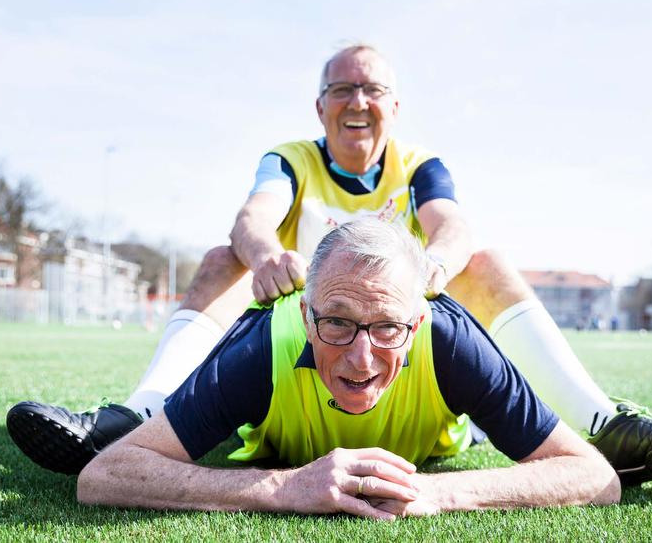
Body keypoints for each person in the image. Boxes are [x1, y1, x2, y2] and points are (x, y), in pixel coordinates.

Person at [8, 45, 652, 486]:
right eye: (341, 89)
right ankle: (133, 419)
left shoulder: (418, 167)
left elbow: (452, 227)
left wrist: (430, 271)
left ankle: (605, 425)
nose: (356, 101)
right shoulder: (289, 159)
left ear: (392, 107)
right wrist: (265, 258)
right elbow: (255, 215)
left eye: (371, 90)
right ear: (319, 106)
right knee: (224, 256)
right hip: (302, 362)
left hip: (405, 378)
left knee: (482, 258)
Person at [76, 220, 621, 517]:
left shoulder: (449, 340)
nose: (361, 359)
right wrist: (280, 489)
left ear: (418, 320)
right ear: (306, 314)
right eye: (336, 322)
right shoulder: (260, 347)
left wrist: (440, 493)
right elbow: (105, 474)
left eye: (388, 326)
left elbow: (595, 476)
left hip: (438, 447)